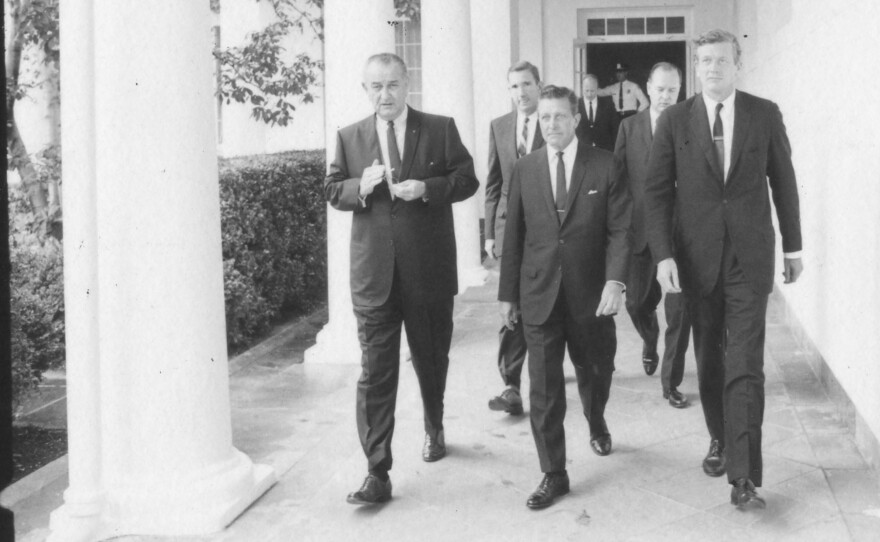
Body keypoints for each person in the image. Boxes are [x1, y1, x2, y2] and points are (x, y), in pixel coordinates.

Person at [644, 29, 803, 509]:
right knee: (710, 361)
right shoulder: (675, 120)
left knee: (746, 364)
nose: (712, 69)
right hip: (696, 261)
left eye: (720, 61)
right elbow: (655, 192)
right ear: (696, 68)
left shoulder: (763, 113)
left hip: (749, 258)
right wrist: (663, 255)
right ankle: (719, 436)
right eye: (704, 62)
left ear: (738, 64)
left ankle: (744, 474)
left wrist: (793, 248)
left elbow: (784, 181)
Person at [325, 53, 479, 505]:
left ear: (407, 84)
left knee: (431, 361)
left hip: (428, 273)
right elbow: (333, 189)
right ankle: (377, 471)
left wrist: (427, 189)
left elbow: (467, 179)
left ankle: (434, 425)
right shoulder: (349, 137)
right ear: (365, 89)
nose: (384, 95)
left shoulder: (439, 127)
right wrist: (361, 187)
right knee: (375, 375)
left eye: (392, 85)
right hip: (374, 278)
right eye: (375, 87)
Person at [499, 85, 631, 509]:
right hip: (539, 293)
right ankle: (553, 472)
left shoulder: (606, 165)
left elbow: (620, 230)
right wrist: (508, 296)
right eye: (544, 117)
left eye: (559, 116)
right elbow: (514, 236)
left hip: (591, 294)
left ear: (575, 119)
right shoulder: (525, 168)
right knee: (544, 389)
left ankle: (596, 420)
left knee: (596, 370)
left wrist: (615, 282)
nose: (551, 124)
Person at [614, 62, 692, 408]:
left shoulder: (691, 125)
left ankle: (670, 382)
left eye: (672, 90)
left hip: (683, 233)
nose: (665, 96)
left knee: (679, 311)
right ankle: (649, 338)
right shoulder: (628, 127)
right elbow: (617, 182)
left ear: (680, 90)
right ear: (647, 87)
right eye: (659, 89)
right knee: (636, 303)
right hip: (642, 230)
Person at [484, 61, 545, 416]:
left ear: (539, 85)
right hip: (509, 229)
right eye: (514, 87)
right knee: (511, 302)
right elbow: (493, 182)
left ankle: (543, 374)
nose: (520, 93)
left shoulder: (553, 120)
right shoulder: (499, 126)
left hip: (546, 230)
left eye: (526, 84)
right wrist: (491, 231)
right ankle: (511, 384)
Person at [576, 74, 619, 151]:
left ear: (597, 88)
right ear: (582, 88)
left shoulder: (608, 104)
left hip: (604, 151)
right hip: (582, 151)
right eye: (587, 90)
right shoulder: (575, 105)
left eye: (592, 91)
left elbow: (615, 128)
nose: (589, 94)